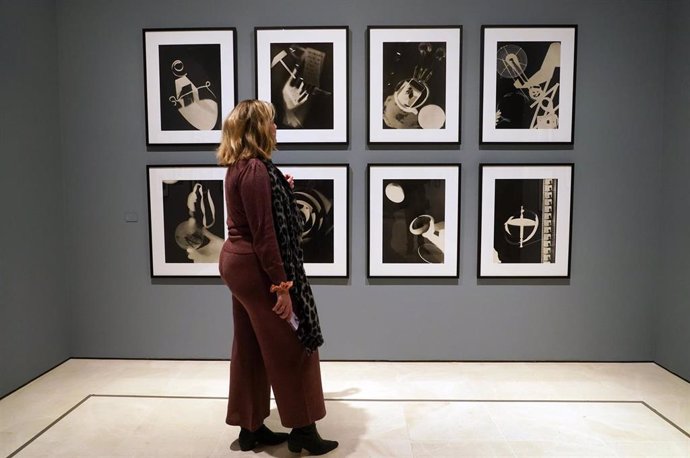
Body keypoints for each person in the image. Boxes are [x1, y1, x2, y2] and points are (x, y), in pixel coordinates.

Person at [216, 99, 338, 455]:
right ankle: (303, 429)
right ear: (257, 129)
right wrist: (282, 287)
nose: (275, 129)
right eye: (271, 123)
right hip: (255, 267)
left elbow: (259, 213)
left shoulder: (242, 168)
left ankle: (250, 426)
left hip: (238, 263)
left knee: (251, 346)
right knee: (293, 344)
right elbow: (266, 236)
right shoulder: (255, 170)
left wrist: (280, 189)